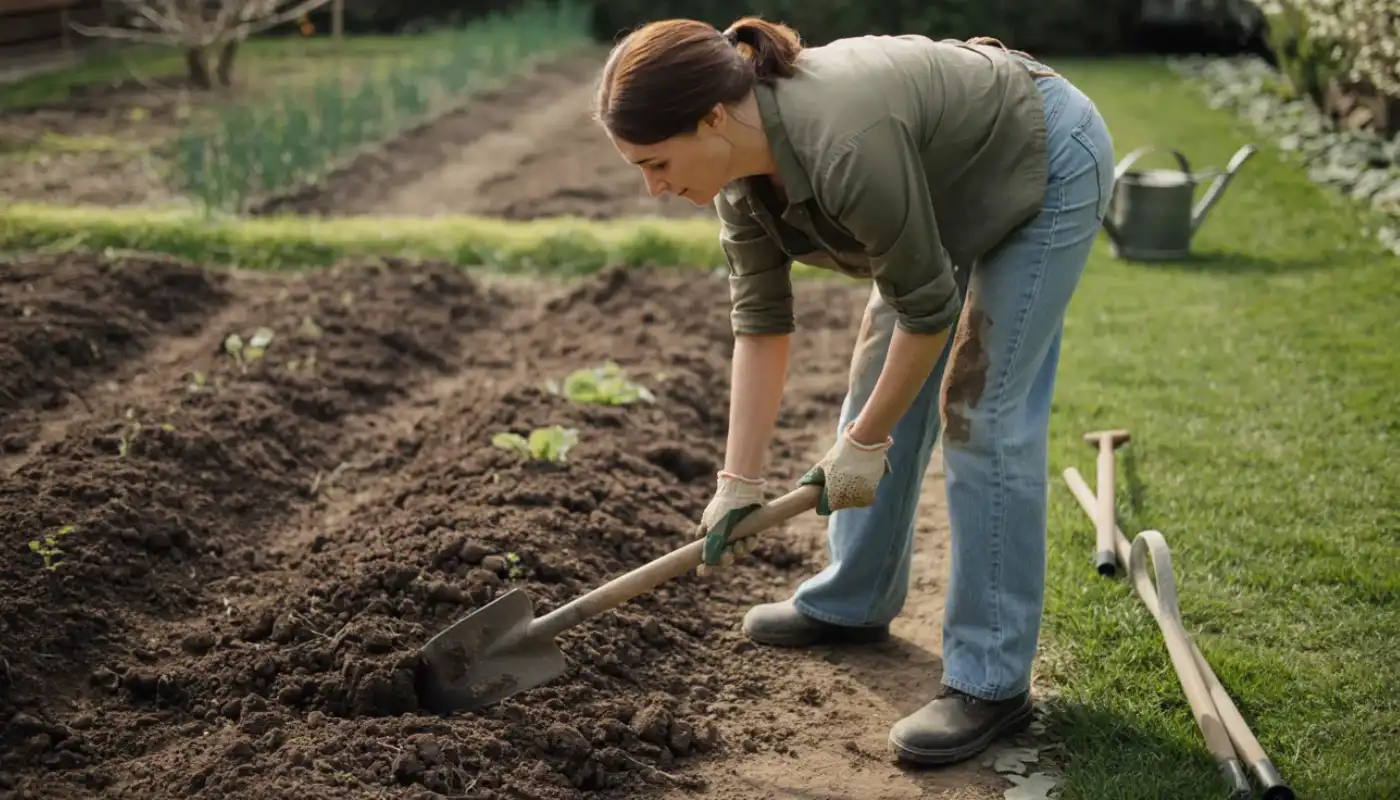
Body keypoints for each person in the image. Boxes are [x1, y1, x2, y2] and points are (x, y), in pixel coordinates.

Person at [592, 15, 1114, 767]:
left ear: (712, 118)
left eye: (656, 160)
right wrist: (738, 483)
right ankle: (854, 599)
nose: (652, 187)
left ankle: (990, 682)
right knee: (877, 374)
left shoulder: (841, 141)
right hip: (942, 186)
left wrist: (866, 445)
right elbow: (761, 323)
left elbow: (929, 311)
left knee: (981, 410)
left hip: (1042, 157)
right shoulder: (739, 178)